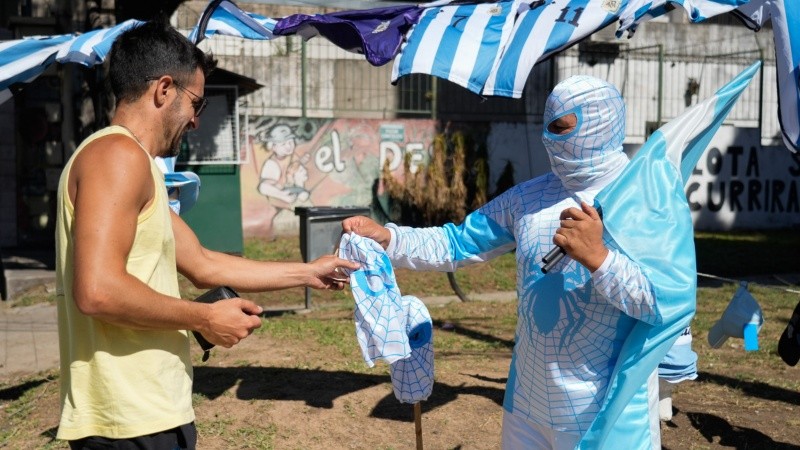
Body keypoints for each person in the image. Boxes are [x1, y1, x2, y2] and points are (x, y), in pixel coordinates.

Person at [54, 20, 358, 449]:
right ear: (163, 90)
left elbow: (203, 263)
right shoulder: (117, 156)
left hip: (149, 413)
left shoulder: (131, 164)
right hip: (129, 421)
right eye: (195, 103)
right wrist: (205, 317)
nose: (196, 121)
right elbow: (97, 291)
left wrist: (309, 272)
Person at [343, 76, 666, 449]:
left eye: (562, 129)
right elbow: (456, 242)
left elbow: (665, 304)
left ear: (600, 124)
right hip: (526, 408)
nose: (550, 139)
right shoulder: (529, 198)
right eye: (547, 127)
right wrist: (390, 238)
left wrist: (599, 259)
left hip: (608, 416)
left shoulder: (646, 200)